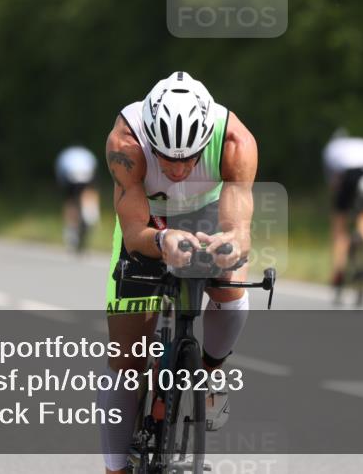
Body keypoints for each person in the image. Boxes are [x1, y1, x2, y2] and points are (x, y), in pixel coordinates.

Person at [98, 71, 257, 474]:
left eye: (189, 157)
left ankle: (208, 371)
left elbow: (239, 228)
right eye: (168, 158)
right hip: (148, 222)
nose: (179, 168)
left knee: (231, 288)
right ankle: (114, 469)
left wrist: (232, 245)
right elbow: (133, 231)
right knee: (127, 360)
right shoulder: (126, 143)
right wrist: (162, 241)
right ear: (150, 139)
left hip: (208, 214)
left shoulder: (236, 142)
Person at [322, 130, 363, 294]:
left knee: (339, 222)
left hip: (348, 173)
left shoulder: (330, 150)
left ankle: (338, 271)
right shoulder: (361, 142)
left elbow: (333, 182)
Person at [54, 145, 99, 252]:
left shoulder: (64, 155)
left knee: (70, 201)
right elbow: (94, 169)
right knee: (88, 191)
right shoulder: (87, 154)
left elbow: (60, 176)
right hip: (87, 173)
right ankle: (91, 214)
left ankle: (70, 229)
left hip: (70, 175)